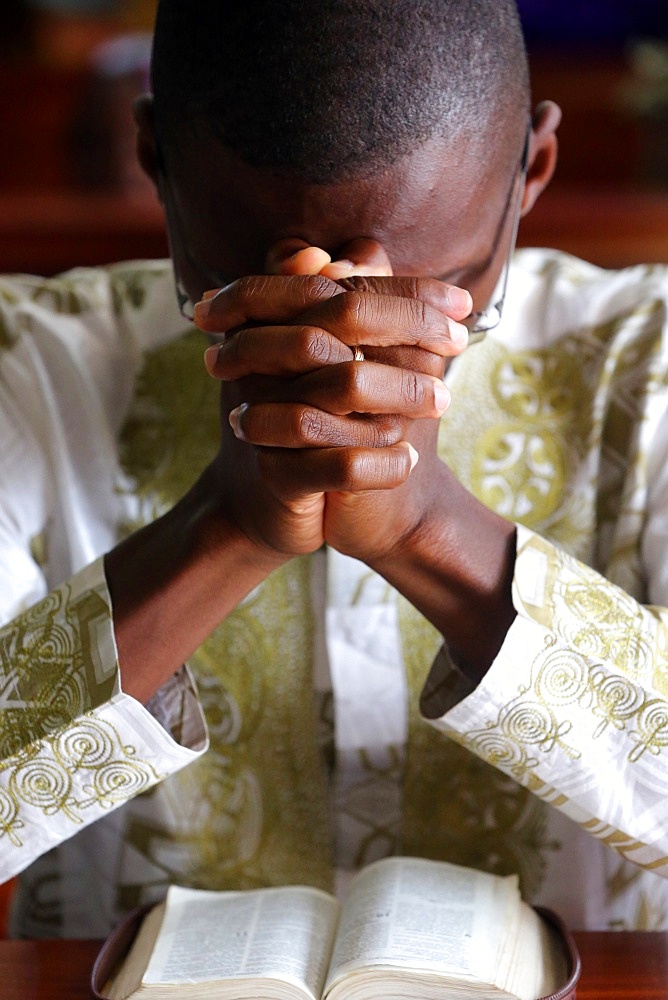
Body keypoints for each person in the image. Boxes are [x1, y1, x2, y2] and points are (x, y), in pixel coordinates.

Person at [2, 0, 668, 938]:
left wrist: (434, 530)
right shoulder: (22, 366)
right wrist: (225, 529)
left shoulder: (651, 362)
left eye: (439, 300)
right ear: (157, 162)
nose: (345, 347)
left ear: (533, 171)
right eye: (254, 298)